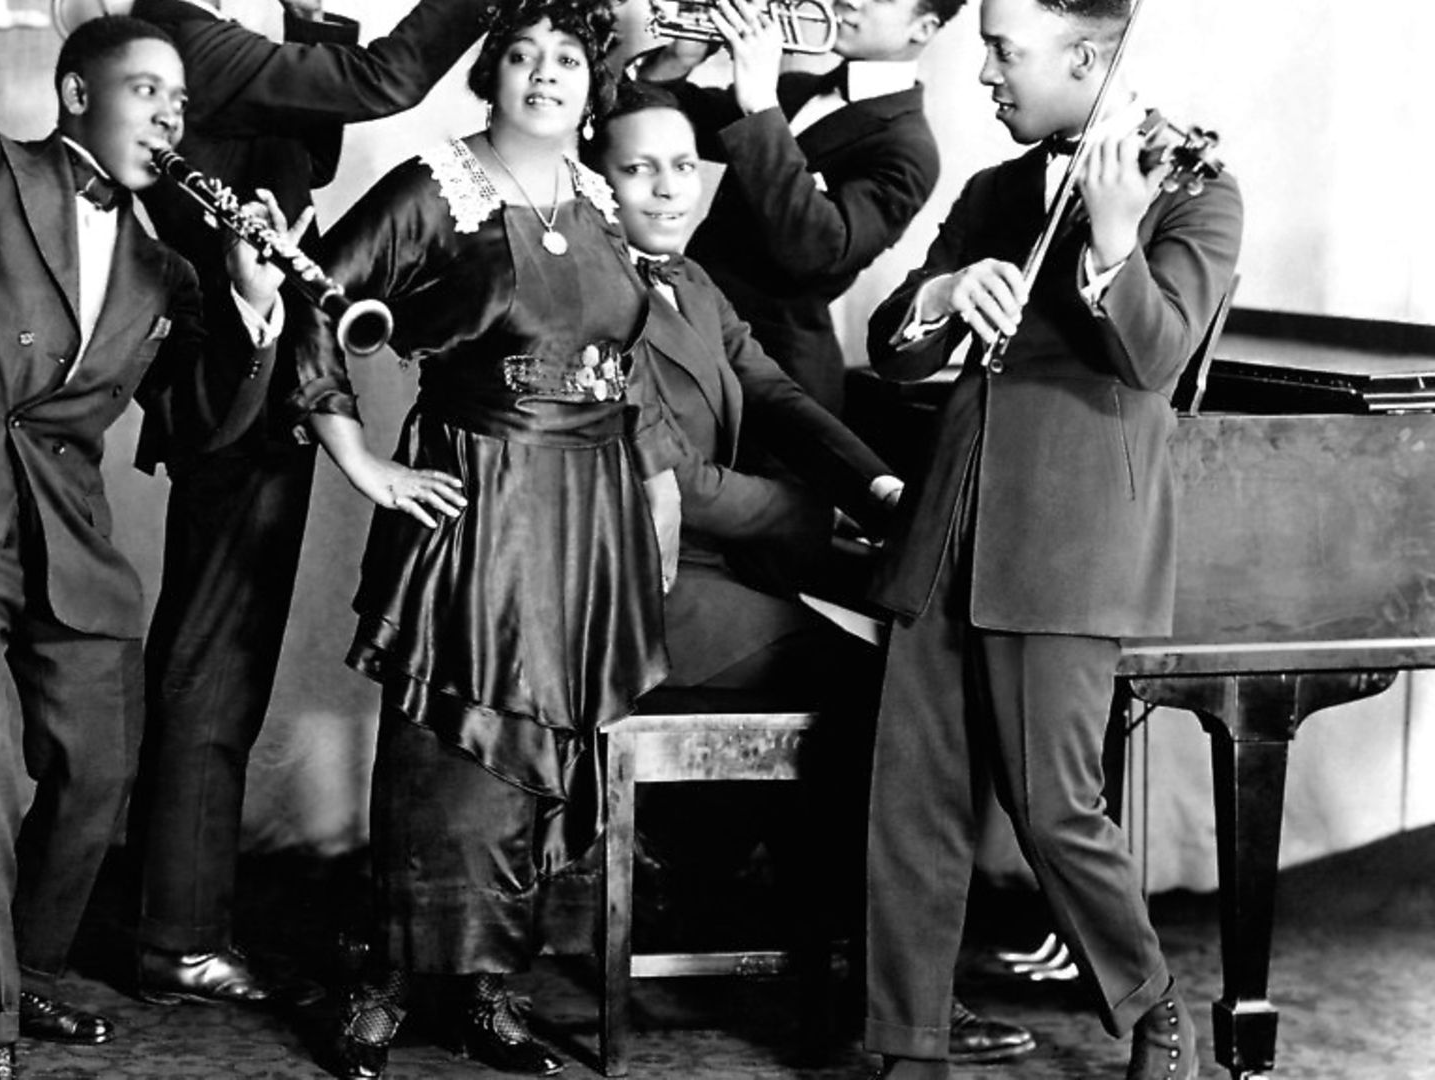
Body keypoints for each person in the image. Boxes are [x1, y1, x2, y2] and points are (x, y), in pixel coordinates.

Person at [0, 3, 289, 1077]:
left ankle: (26, 971)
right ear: (78, 94)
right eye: (145, 90)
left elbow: (208, 426)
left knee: (93, 769)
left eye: (180, 99)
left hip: (62, 532)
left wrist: (256, 310)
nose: (169, 115)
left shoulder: (167, 274)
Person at [587, 80, 1034, 1067]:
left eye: (682, 164)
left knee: (887, 672)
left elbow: (776, 392)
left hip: (713, 570)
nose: (669, 188)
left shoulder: (690, 282)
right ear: (595, 178)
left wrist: (878, 487)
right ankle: (882, 990)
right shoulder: (583, 287)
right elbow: (672, 477)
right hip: (640, 589)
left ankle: (855, 967)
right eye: (637, 168)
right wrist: (817, 519)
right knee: (892, 694)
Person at [287, 2, 676, 1075]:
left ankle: (486, 988)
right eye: (521, 55)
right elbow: (310, 295)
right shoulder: (435, 188)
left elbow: (625, 368)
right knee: (448, 748)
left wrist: (649, 499)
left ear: (595, 86)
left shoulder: (603, 201)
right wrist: (361, 458)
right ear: (487, 73)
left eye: (566, 59)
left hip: (586, 510)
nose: (545, 75)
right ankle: (392, 979)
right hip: (483, 498)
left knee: (546, 749)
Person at [858, 0, 1243, 1076]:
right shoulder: (992, 191)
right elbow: (895, 350)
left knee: (1049, 804)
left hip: (1068, 537)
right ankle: (908, 1043)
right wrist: (938, 292)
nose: (982, 71)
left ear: (1086, 57)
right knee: (911, 795)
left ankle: (1152, 998)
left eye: (1002, 51)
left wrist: (1116, 236)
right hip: (949, 520)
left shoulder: (1198, 193)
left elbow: (1154, 357)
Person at [120, 0, 495, 1007]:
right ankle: (175, 939)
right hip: (227, 376)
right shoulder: (189, 27)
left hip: (262, 361)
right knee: (212, 662)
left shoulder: (259, 30)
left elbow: (312, 159)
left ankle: (167, 913)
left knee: (219, 660)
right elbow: (385, 84)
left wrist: (313, 32)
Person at [633, 0, 962, 415]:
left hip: (777, 378)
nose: (849, 1)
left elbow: (817, 252)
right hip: (689, 331)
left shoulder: (909, 149)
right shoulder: (795, 91)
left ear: (923, 27)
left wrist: (759, 106)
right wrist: (676, 59)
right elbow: (652, 125)